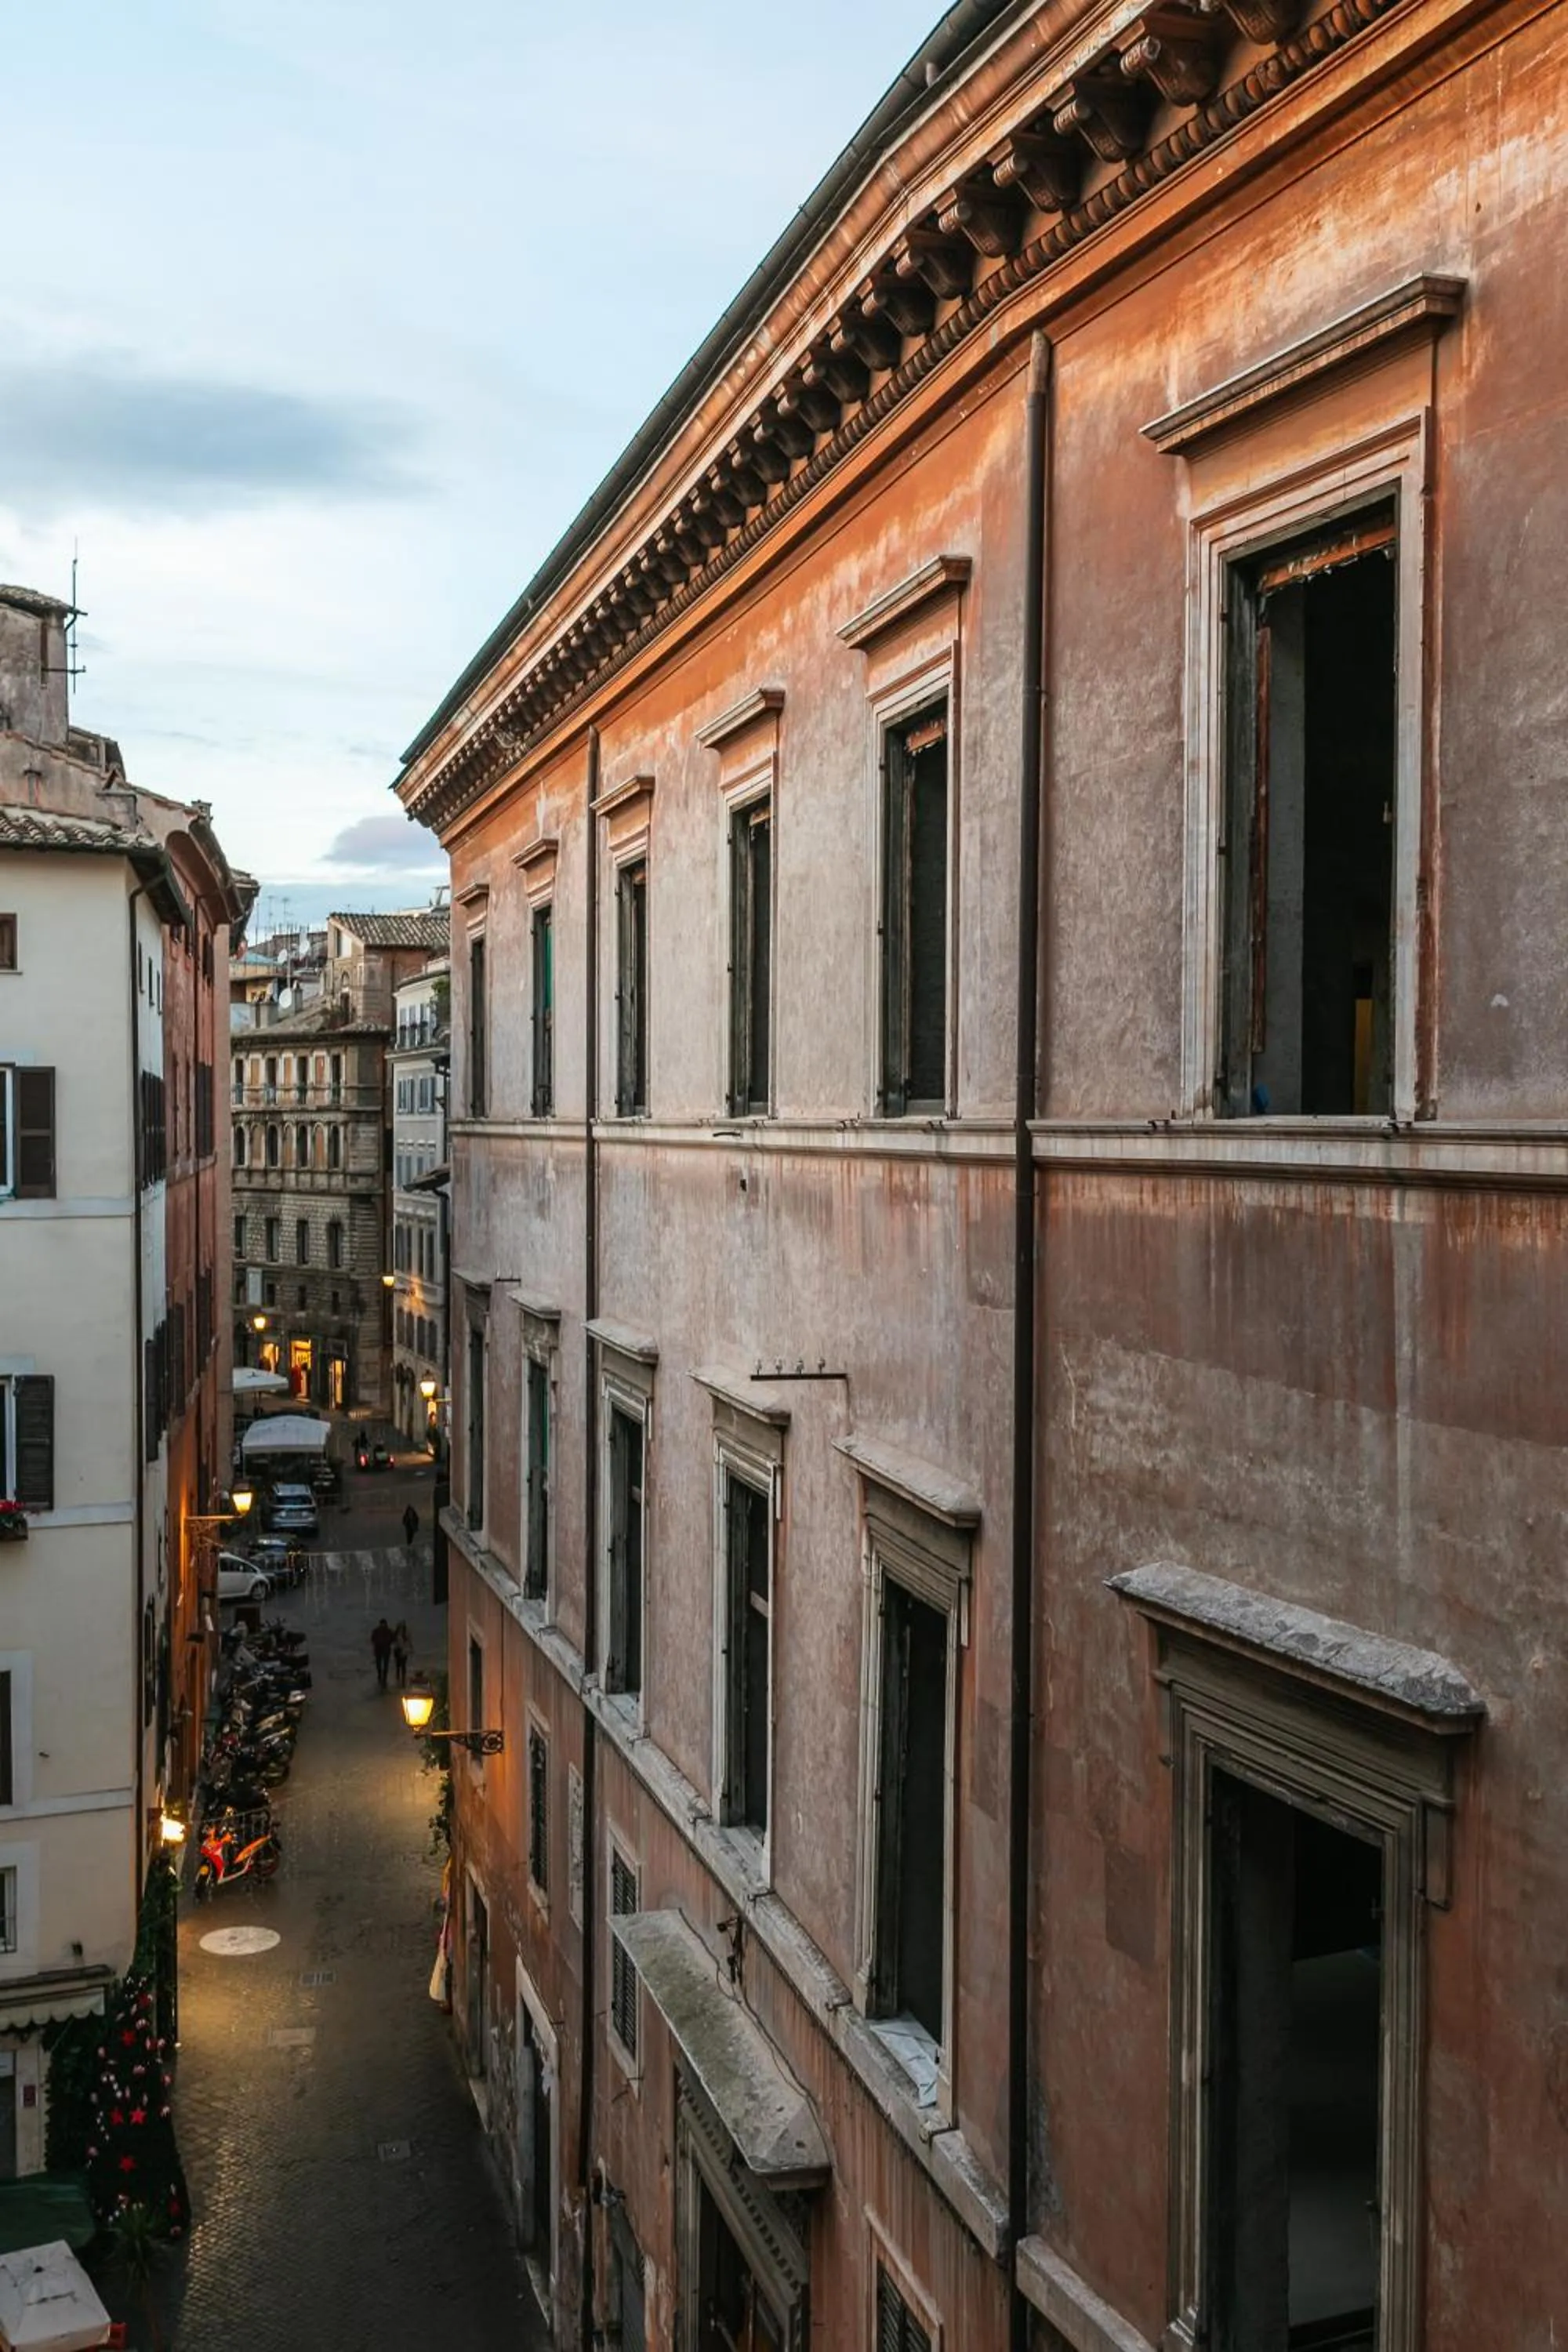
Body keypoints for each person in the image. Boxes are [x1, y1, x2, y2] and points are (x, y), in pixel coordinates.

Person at [370, 1617, 394, 1691]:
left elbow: (373, 1639)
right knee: (380, 1664)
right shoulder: (387, 1631)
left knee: (382, 1664)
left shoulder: (378, 1631)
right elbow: (373, 1639)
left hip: (382, 1649)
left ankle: (382, 1677)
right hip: (381, 1649)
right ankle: (382, 1677)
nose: (383, 1625)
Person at [390, 1620, 411, 1689]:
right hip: (397, 1650)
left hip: (403, 1651)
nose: (401, 1628)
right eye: (400, 1627)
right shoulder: (396, 1634)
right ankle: (398, 1679)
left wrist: (410, 1648)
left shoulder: (406, 1634)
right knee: (398, 1665)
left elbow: (409, 1642)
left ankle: (403, 1679)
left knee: (403, 1665)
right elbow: (393, 1642)